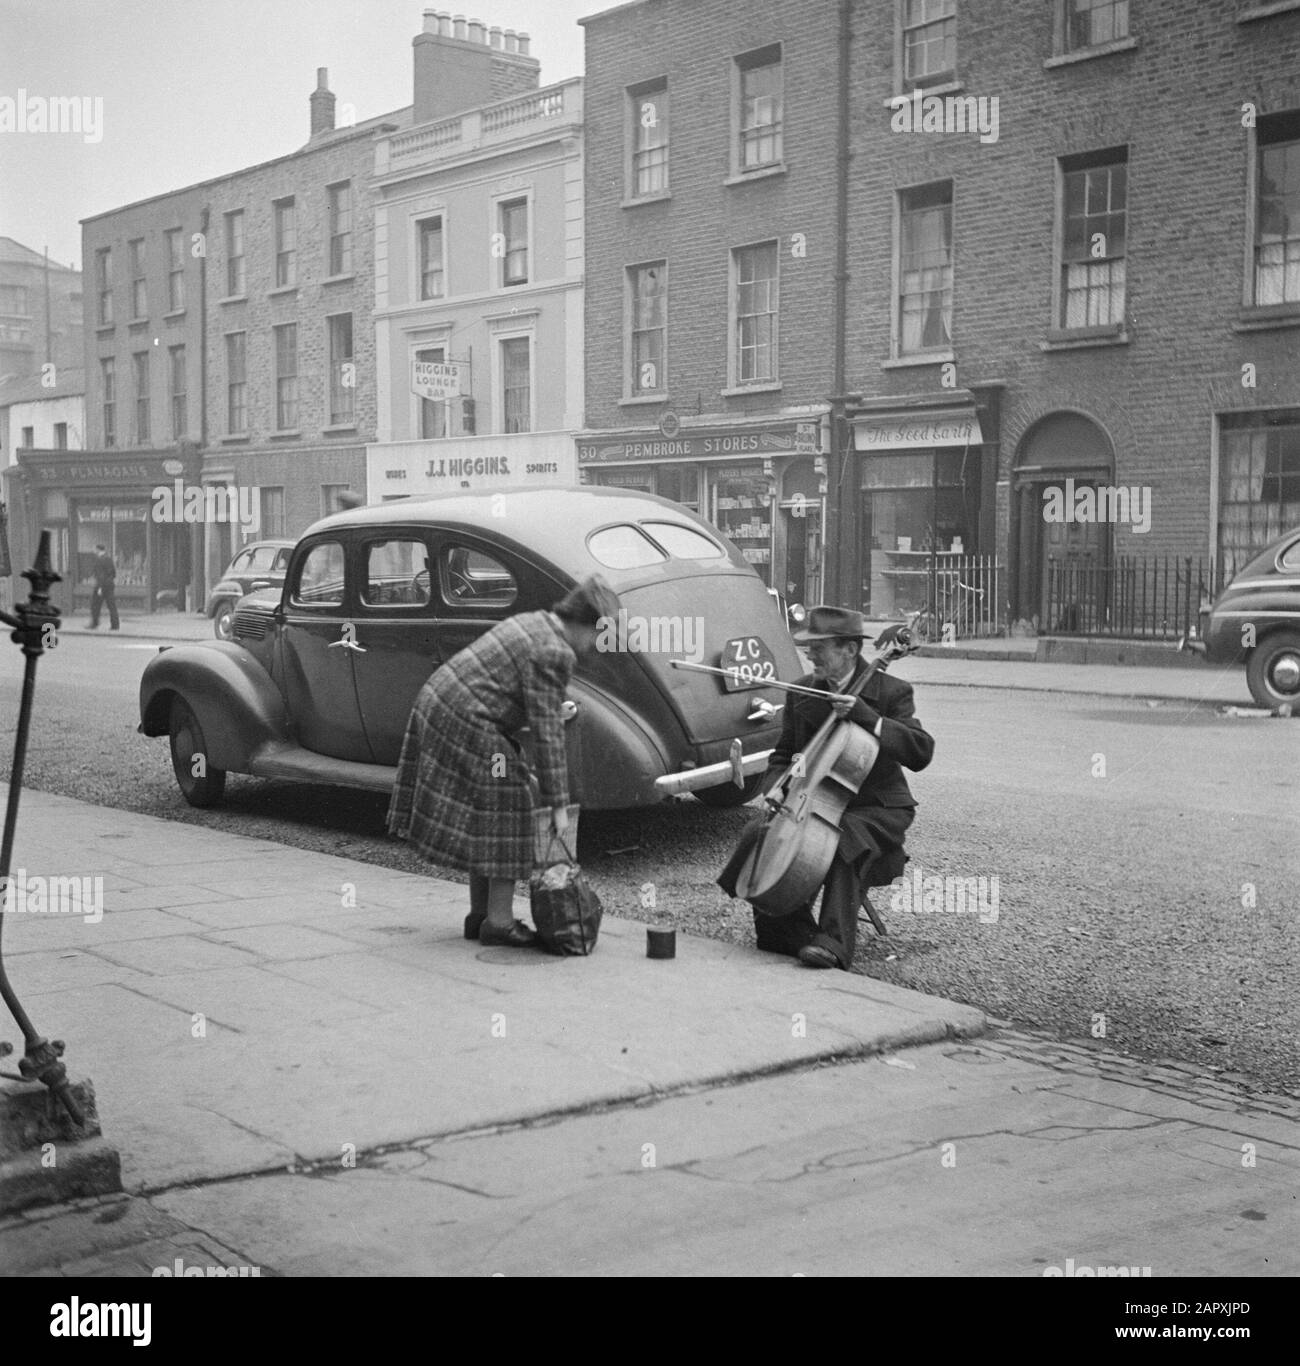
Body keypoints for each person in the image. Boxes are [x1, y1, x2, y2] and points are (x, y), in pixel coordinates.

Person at [386, 575, 620, 948]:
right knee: (509, 803)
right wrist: (558, 804)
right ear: (584, 622)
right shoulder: (556, 650)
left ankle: (479, 916)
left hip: (440, 703)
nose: (594, 646)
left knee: (489, 809)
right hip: (467, 719)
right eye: (598, 634)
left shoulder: (537, 621)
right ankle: (498, 922)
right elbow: (547, 734)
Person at [718, 606, 934, 969]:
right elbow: (787, 755)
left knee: (843, 839)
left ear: (850, 649)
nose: (809, 653)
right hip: (813, 798)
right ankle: (788, 930)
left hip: (875, 807)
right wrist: (778, 787)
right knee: (762, 830)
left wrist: (869, 718)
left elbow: (920, 751)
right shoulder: (803, 691)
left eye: (819, 647)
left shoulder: (892, 691)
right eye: (808, 646)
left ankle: (834, 943)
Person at [87, 544, 119, 630]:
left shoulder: (99, 560)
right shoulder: (109, 559)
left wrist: (100, 588)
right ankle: (115, 625)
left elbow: (100, 575)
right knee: (112, 606)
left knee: (95, 605)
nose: (94, 551)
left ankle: (94, 623)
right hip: (110, 585)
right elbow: (113, 573)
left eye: (95, 550)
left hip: (101, 586)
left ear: (98, 550)